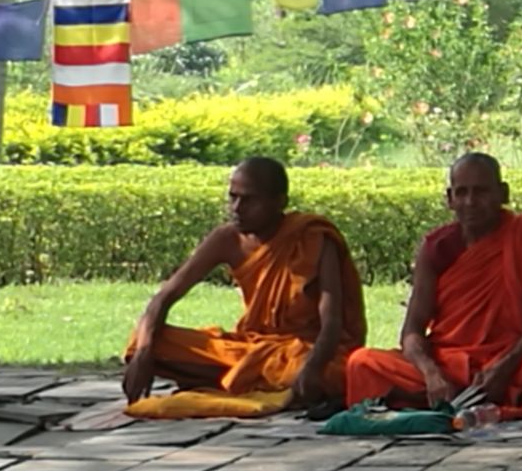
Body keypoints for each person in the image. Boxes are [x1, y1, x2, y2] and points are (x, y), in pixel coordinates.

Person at [344, 153, 522, 411]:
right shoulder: (437, 248)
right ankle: (499, 397)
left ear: (503, 193)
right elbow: (412, 331)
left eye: (481, 192)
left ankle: (454, 398)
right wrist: (431, 373)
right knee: (362, 362)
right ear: (449, 198)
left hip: (515, 359)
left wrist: (502, 368)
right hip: (449, 363)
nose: (470, 202)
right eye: (462, 193)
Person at [122, 157, 364, 411]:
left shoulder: (312, 237)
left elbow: (332, 322)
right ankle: (249, 378)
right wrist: (144, 354)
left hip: (304, 352)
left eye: (248, 200)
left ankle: (241, 378)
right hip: (253, 346)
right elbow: (164, 297)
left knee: (333, 372)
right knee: (142, 339)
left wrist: (313, 368)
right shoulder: (227, 239)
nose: (237, 208)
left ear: (279, 202)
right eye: (232, 198)